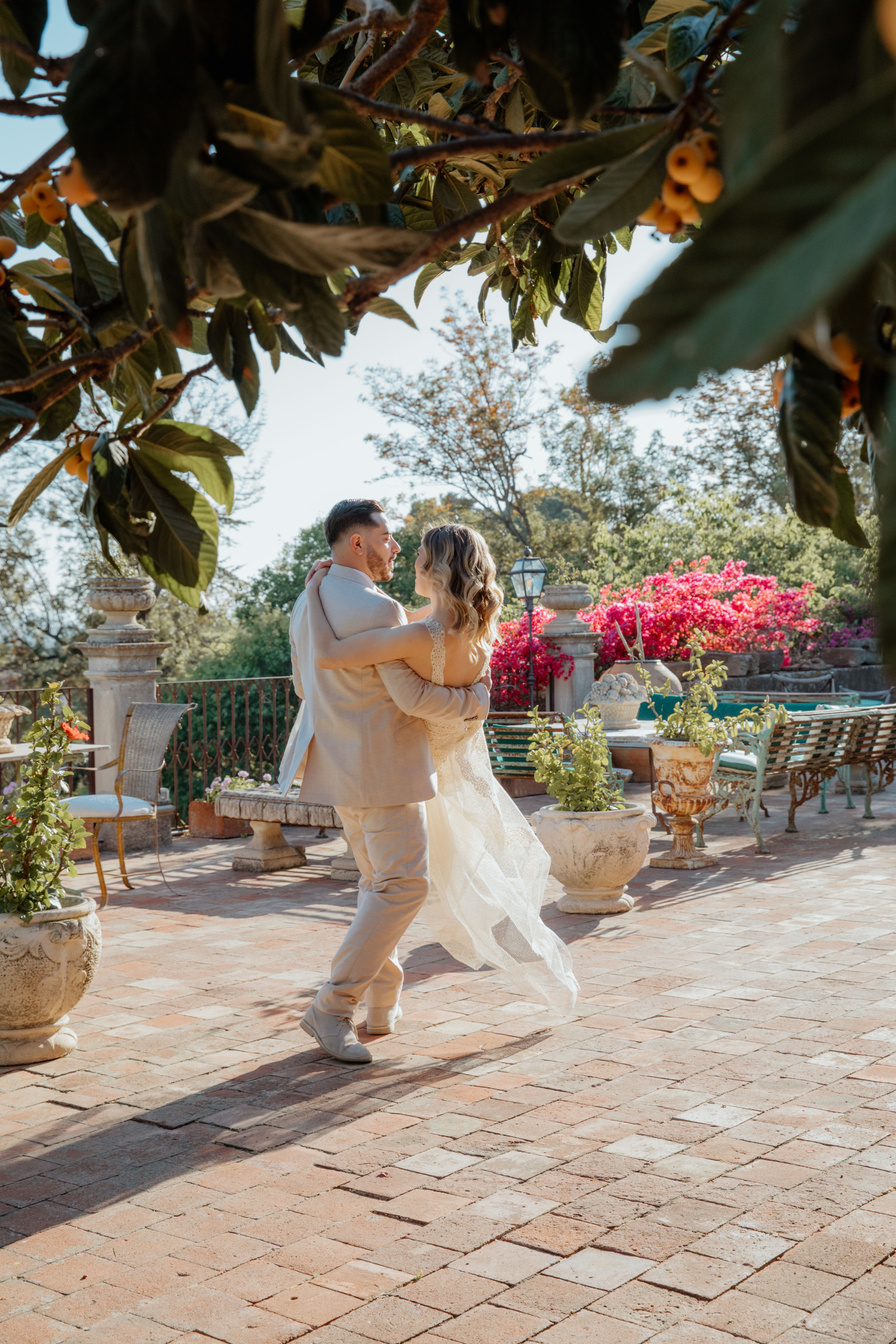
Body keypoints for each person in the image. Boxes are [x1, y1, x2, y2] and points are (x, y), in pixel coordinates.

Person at [305, 520, 579, 1022]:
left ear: (433, 568)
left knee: (387, 887)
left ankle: (344, 1003)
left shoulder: (409, 636)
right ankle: (380, 1001)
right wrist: (475, 702)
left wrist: (315, 589)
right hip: (437, 772)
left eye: (417, 556)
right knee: (388, 887)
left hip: (396, 770)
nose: (404, 557)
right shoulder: (479, 632)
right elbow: (473, 693)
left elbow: (329, 656)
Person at [278, 500, 492, 1065]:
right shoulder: (383, 607)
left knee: (379, 886)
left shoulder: (309, 598)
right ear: (356, 542)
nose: (394, 547)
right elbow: (408, 695)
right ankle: (331, 1007)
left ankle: (382, 999)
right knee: (403, 888)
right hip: (384, 767)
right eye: (386, 536)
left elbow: (305, 682)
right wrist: (474, 699)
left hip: (334, 764)